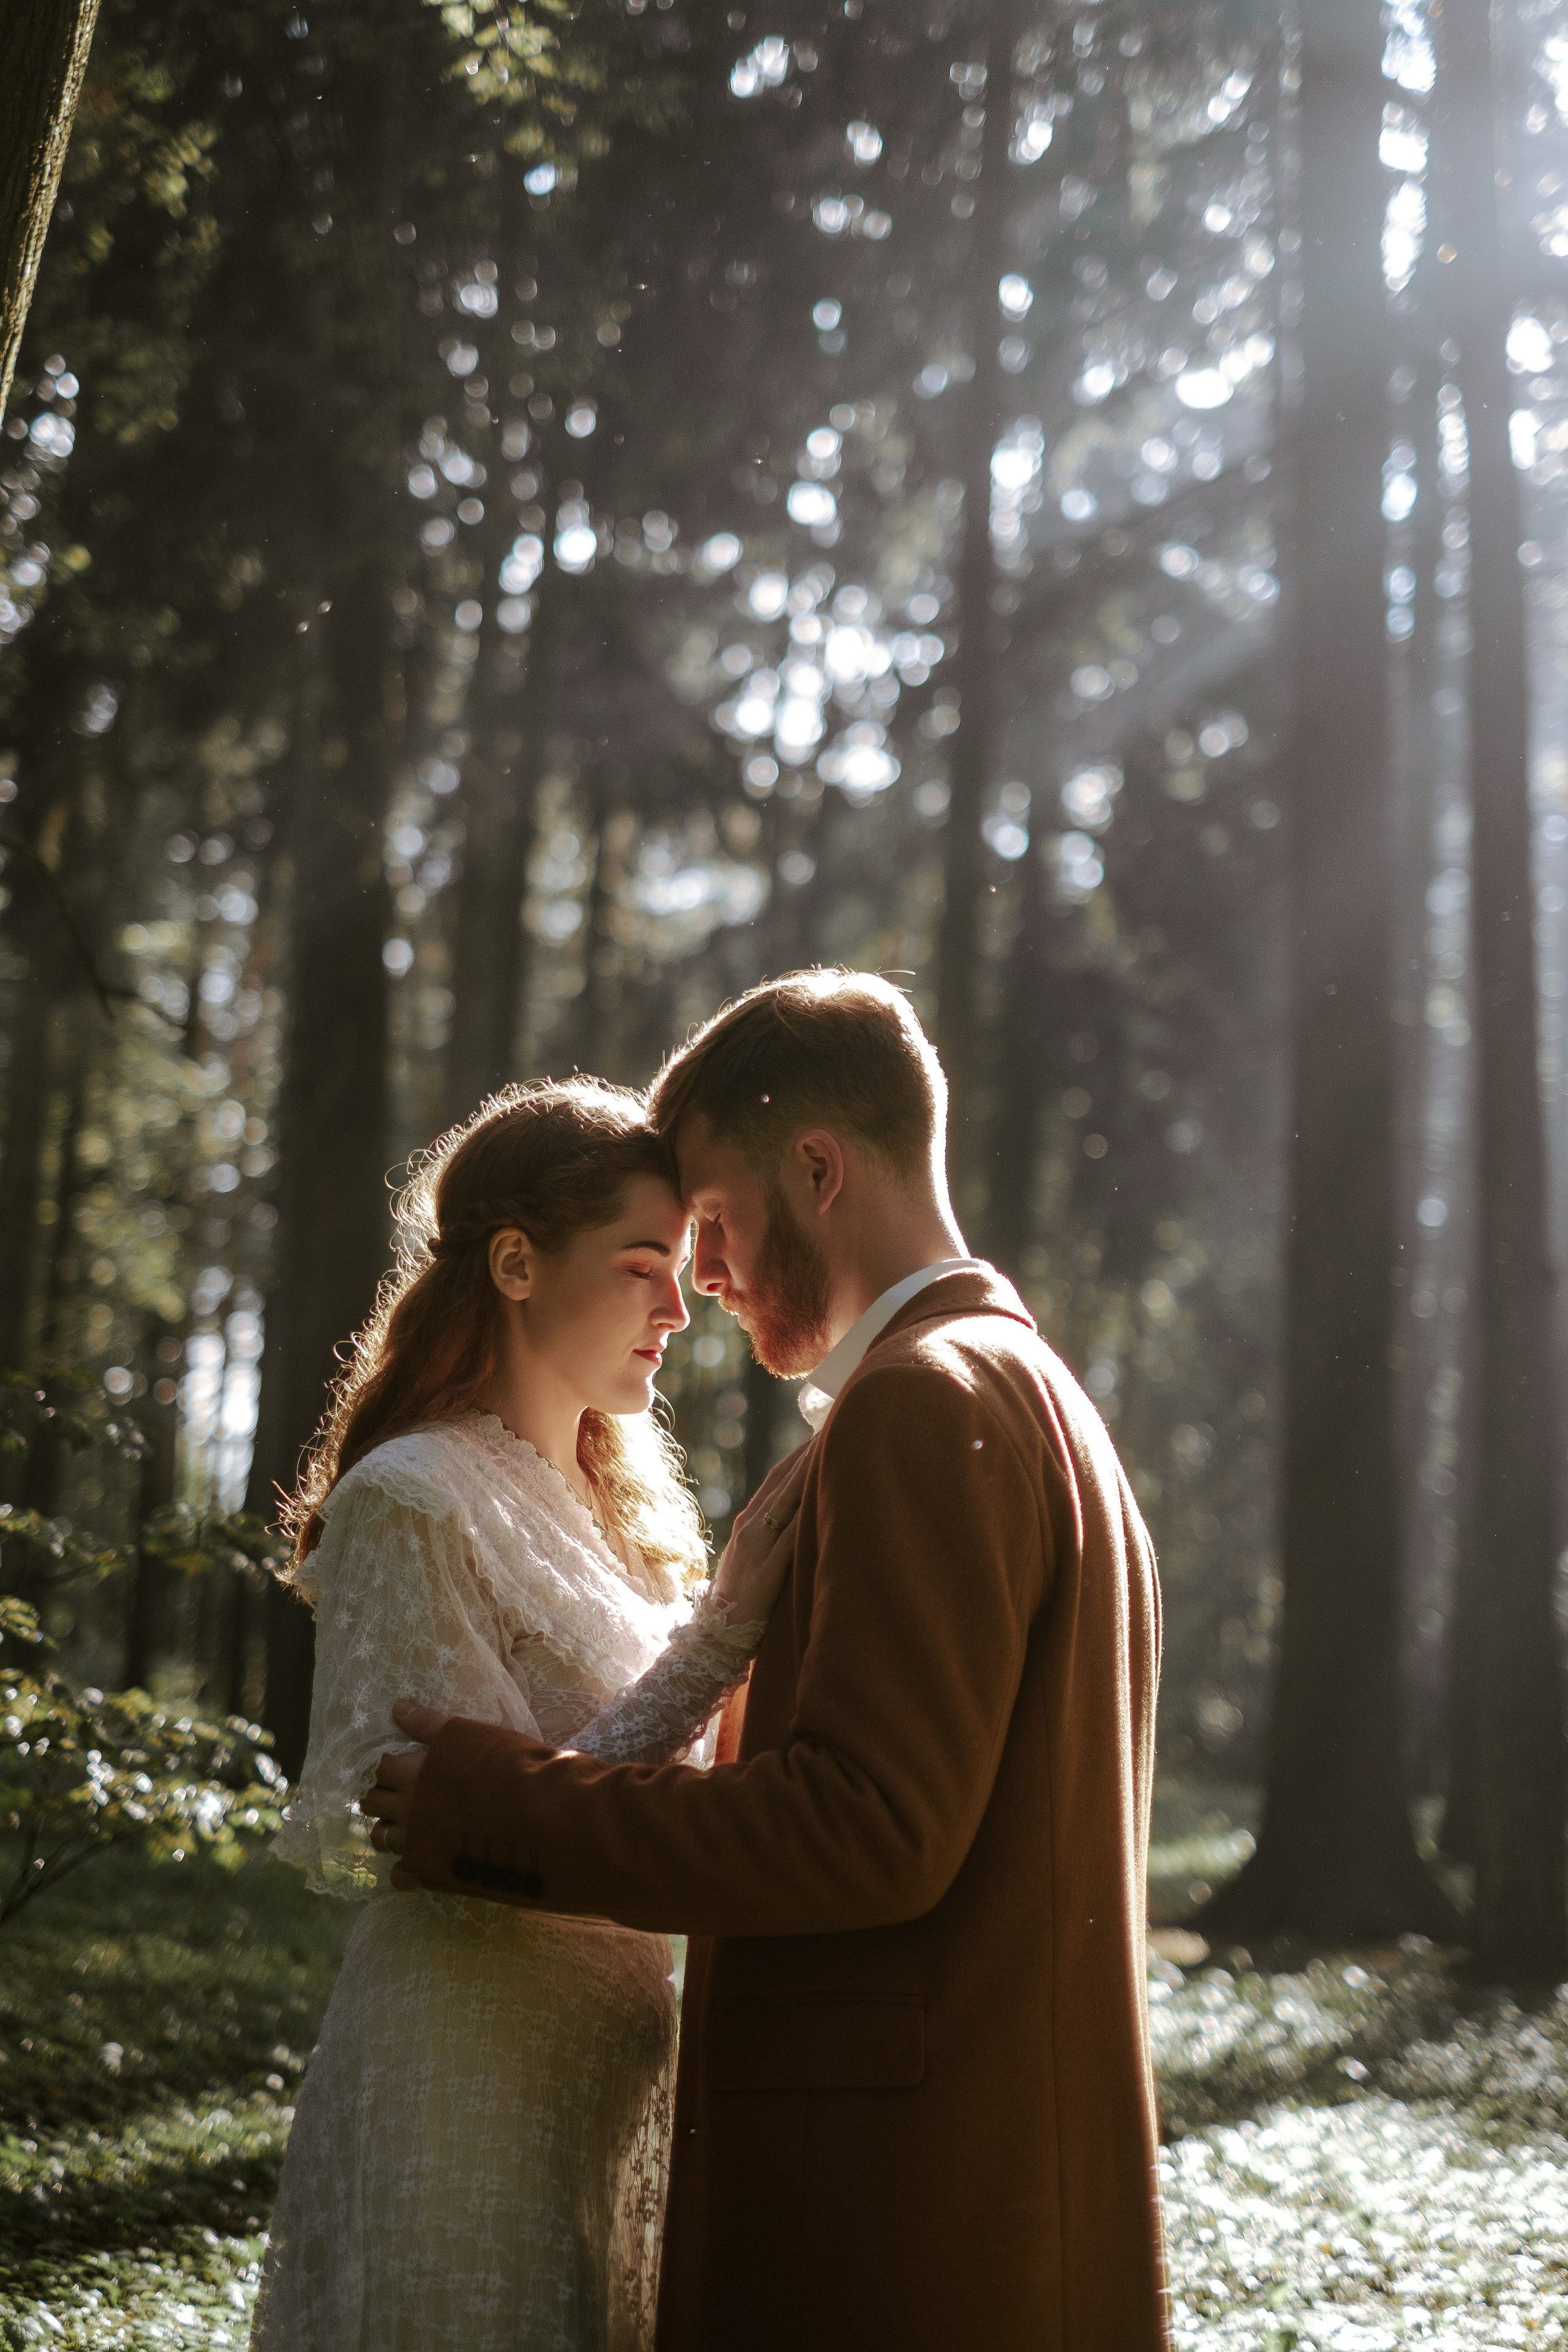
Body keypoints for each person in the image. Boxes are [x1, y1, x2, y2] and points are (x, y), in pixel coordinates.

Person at [368, 971, 1170, 2352]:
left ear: (816, 1168)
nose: (703, 1278)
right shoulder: (1032, 1391)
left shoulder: (922, 1401)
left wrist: (496, 1804)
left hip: (895, 2209)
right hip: (986, 2180)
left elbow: (867, 1828)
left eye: (714, 1222)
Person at [248, 1078, 801, 2352]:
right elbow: (451, 1839)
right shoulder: (413, 1496)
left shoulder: (626, 1530)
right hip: (466, 2062)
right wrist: (720, 1639)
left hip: (615, 2071)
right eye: (641, 1266)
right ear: (514, 1264)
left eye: (682, 1272)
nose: (677, 1309)